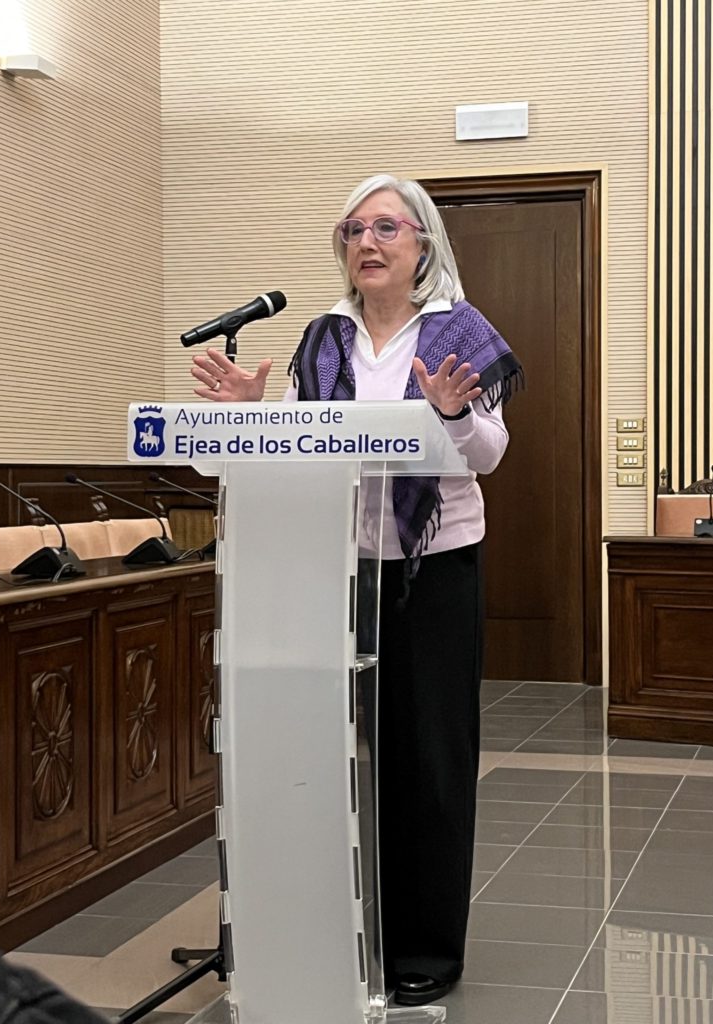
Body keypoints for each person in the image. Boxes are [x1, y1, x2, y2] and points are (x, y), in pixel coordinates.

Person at [191, 173, 523, 1007]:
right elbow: (303, 443)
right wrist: (253, 417)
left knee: (429, 760)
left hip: (432, 569)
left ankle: (426, 947)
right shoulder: (324, 338)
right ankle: (340, 930)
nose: (366, 243)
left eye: (385, 228)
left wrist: (453, 414)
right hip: (334, 567)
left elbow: (488, 455)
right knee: (335, 757)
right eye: (352, 230)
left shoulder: (458, 330)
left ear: (423, 242)